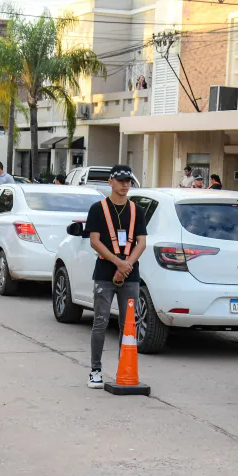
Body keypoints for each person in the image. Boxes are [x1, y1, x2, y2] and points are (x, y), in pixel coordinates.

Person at [84, 165, 147, 389]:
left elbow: (142, 242)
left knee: (128, 324)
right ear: (110, 182)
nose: (125, 185)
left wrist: (127, 264)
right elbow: (94, 241)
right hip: (105, 271)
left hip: (130, 273)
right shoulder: (98, 209)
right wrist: (117, 262)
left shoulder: (137, 210)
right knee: (100, 321)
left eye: (128, 181)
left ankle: (125, 368)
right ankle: (95, 370)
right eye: (120, 181)